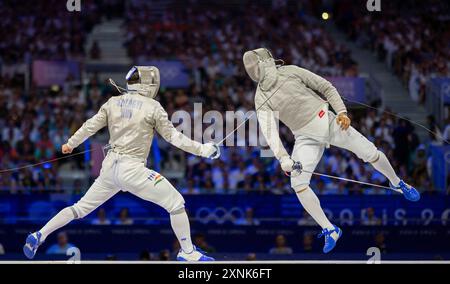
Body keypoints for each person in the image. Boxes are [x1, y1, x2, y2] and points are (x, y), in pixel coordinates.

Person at [23, 66, 219, 261]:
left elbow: (89, 125)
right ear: (147, 84)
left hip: (109, 169)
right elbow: (173, 137)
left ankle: (40, 234)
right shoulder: (153, 107)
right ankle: (187, 252)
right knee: (176, 203)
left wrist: (70, 144)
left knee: (80, 208)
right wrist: (203, 149)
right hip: (132, 170)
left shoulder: (113, 102)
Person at [242, 48, 420, 253]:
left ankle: (398, 183)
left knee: (370, 153)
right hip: (304, 137)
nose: (253, 69)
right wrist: (283, 158)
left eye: (254, 64)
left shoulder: (291, 71)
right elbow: (270, 132)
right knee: (298, 183)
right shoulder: (260, 98)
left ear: (266, 61)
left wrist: (342, 111)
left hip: (328, 121)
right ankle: (329, 228)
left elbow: (326, 86)